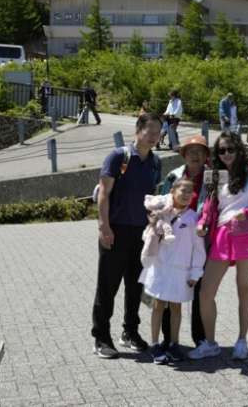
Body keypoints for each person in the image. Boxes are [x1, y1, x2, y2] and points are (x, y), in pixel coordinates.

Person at [190, 132, 248, 360]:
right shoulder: (215, 175)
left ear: (239, 149)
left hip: (246, 234)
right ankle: (210, 342)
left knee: (243, 289)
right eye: (221, 150)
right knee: (206, 292)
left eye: (230, 149)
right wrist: (202, 222)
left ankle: (242, 340)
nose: (226, 154)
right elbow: (208, 205)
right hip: (221, 235)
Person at [92, 113, 163, 359]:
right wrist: (104, 226)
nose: (154, 137)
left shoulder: (155, 162)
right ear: (138, 130)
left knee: (136, 286)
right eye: (150, 131)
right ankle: (101, 337)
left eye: (158, 133)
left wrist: (155, 221)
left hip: (142, 233)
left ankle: (130, 332)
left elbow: (152, 196)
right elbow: (103, 193)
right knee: (107, 286)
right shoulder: (118, 157)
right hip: (116, 229)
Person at [139, 177, 206, 364]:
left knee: (176, 307)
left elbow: (198, 249)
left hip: (180, 271)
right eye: (182, 190)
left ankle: (174, 344)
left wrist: (195, 273)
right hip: (160, 268)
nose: (185, 195)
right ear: (173, 191)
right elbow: (147, 237)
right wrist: (153, 225)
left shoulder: (193, 218)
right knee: (157, 306)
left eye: (189, 192)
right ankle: (154, 344)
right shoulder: (160, 213)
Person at [155, 135, 212, 348]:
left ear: (206, 156)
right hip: (174, 242)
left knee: (199, 292)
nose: (195, 155)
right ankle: (169, 340)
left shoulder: (213, 178)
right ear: (184, 154)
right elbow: (161, 204)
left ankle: (200, 338)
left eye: (200, 151)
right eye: (191, 151)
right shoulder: (174, 176)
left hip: (200, 243)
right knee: (170, 292)